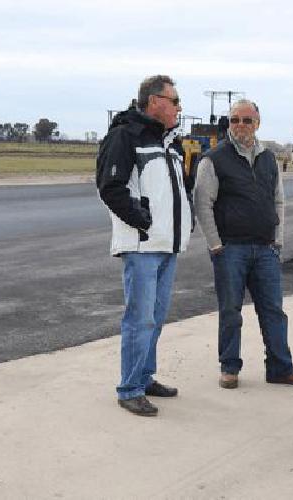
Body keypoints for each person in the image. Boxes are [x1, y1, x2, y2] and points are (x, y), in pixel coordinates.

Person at [193, 99, 293, 390]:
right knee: (231, 311)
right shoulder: (214, 159)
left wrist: (278, 240)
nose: (241, 126)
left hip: (265, 249)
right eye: (235, 120)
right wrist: (215, 245)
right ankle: (229, 368)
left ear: (257, 123)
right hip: (230, 250)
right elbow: (202, 204)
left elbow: (279, 200)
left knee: (273, 311)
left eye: (247, 120)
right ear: (229, 123)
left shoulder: (268, 158)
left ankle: (280, 368)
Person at [96, 74, 195, 417]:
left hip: (168, 245)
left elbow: (180, 189)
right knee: (140, 319)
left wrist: (187, 220)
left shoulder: (170, 142)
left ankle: (144, 376)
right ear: (155, 101)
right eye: (175, 100)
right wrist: (143, 221)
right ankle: (130, 388)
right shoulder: (125, 136)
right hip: (143, 247)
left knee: (155, 317)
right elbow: (111, 187)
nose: (179, 106)